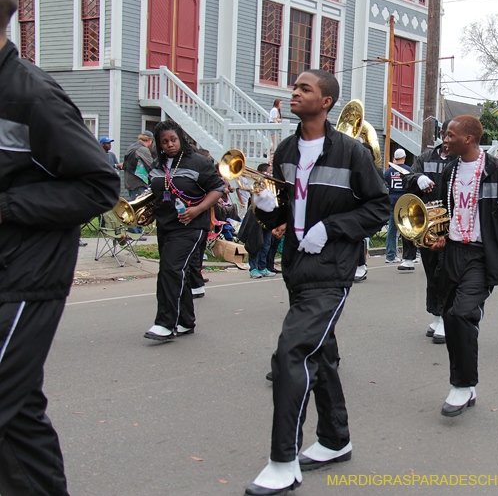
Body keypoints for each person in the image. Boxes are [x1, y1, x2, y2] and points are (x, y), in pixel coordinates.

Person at [244, 69, 390, 496]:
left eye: (304, 88)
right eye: (294, 87)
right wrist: (267, 206)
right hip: (296, 268)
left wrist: (333, 227)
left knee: (291, 352)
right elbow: (283, 214)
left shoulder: (352, 152)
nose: (294, 92)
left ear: (326, 101)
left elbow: (379, 207)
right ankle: (334, 439)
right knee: (320, 356)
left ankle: (283, 461)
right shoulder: (286, 149)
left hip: (332, 270)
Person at [0, 0, 120, 493]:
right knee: (17, 410)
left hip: (25, 275)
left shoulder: (35, 94)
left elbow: (99, 186)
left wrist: (5, 206)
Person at [428, 115, 498, 417]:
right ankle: (465, 382)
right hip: (452, 254)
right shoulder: (449, 169)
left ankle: (462, 386)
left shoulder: (496, 170)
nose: (445, 140)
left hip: (482, 255)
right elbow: (444, 210)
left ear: (468, 139)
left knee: (462, 313)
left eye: (450, 135)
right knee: (451, 318)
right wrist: (437, 236)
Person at [142, 120, 224, 341]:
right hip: (165, 225)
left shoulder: (198, 162)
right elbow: (158, 191)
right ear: (159, 145)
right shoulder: (157, 165)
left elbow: (217, 189)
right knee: (180, 273)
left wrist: (197, 210)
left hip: (191, 225)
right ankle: (185, 322)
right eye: (164, 142)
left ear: (181, 138)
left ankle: (165, 323)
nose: (170, 144)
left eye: (173, 139)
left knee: (169, 269)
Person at [402, 120, 454, 343]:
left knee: (445, 272)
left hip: (450, 226)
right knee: (432, 271)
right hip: (428, 226)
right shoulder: (425, 157)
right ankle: (436, 314)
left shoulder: (460, 159)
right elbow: (407, 179)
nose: (450, 139)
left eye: (455, 135)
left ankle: (445, 317)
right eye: (448, 134)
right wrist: (417, 178)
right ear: (441, 134)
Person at [384, 148, 416, 269]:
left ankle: (390, 255)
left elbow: (385, 184)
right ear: (404, 157)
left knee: (392, 228)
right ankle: (408, 255)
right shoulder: (408, 170)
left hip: (392, 200)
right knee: (407, 228)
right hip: (404, 201)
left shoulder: (388, 171)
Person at [123, 131, 155, 234]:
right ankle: (134, 231)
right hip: (138, 181)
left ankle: (138, 229)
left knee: (134, 204)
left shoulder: (132, 146)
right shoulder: (142, 149)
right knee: (138, 207)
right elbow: (150, 165)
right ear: (149, 140)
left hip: (130, 181)